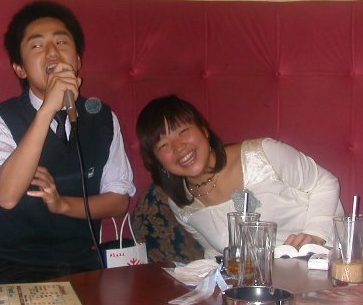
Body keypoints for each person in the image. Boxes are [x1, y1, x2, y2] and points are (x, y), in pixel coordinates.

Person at [0, 0, 135, 284]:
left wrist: (62, 205)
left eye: (61, 42)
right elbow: (6, 196)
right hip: (14, 268)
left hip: (83, 265)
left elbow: (118, 200)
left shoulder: (102, 117)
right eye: (37, 46)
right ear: (20, 69)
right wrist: (48, 108)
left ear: (78, 61)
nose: (52, 52)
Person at [136, 94, 344, 260]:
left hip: (322, 262)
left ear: (204, 130)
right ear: (158, 161)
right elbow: (214, 252)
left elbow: (325, 183)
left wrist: (315, 234)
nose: (179, 147)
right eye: (163, 145)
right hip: (261, 288)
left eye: (183, 131)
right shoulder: (181, 203)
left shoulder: (263, 154)